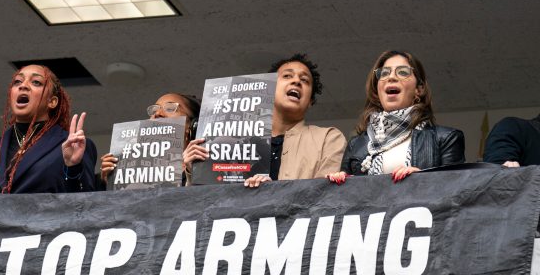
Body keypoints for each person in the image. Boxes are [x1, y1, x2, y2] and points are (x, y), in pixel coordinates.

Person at [182, 53, 346, 187]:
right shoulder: (236, 140)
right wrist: (195, 170)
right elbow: (207, 204)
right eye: (287, 76)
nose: (296, 81)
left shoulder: (328, 139)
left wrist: (268, 194)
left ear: (310, 101)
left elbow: (325, 197)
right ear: (269, 88)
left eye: (305, 80)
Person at [327, 50, 465, 184]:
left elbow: (457, 193)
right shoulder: (356, 145)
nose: (391, 77)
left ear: (419, 89)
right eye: (384, 73)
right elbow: (345, 197)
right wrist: (340, 184)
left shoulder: (446, 139)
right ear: (377, 90)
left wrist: (423, 181)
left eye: (403, 72)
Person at [0, 65, 96, 194]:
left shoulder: (72, 145)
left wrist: (72, 168)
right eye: (17, 82)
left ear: (52, 102)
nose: (23, 86)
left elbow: (84, 205)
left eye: (36, 82)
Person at [98, 92, 201, 187]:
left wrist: (192, 174)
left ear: (193, 125)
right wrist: (110, 183)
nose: (157, 113)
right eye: (154, 110)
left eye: (170, 108)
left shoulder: (206, 168)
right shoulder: (133, 173)